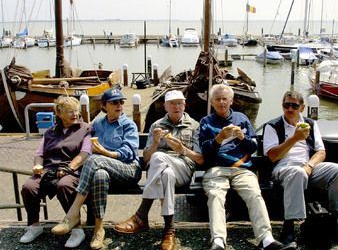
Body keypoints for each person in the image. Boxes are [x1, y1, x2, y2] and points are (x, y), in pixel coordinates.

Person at [199, 84, 296, 250]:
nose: (222, 102)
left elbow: (253, 147)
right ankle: (218, 241)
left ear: (231, 101)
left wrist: (243, 138)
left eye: (225, 99)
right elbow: (205, 153)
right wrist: (219, 138)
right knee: (216, 196)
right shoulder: (206, 122)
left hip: (242, 169)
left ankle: (266, 239)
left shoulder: (241, 119)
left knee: (254, 194)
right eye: (218, 99)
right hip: (216, 169)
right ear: (212, 102)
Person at [51, 87, 142, 250]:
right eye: (114, 102)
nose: (119, 105)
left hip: (128, 169)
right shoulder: (97, 124)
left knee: (94, 160)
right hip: (104, 171)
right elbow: (81, 139)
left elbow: (128, 154)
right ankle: (98, 230)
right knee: (99, 174)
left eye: (121, 102)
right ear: (104, 105)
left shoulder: (129, 125)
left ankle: (72, 214)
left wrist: (104, 152)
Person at [114, 90, 203, 250]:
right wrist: (155, 142)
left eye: (179, 103)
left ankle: (142, 214)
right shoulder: (157, 126)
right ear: (165, 106)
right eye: (172, 103)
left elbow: (199, 159)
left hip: (183, 168)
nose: (176, 106)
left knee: (159, 158)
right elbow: (147, 158)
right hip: (161, 172)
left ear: (184, 104)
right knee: (165, 173)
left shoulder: (195, 125)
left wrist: (182, 149)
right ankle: (169, 231)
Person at [263, 90, 338, 245]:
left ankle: (334, 221)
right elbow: (272, 156)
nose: (290, 109)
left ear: (302, 108)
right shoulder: (272, 126)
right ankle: (289, 226)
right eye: (286, 105)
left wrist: (310, 165)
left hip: (308, 166)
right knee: (297, 173)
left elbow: (321, 152)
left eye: (294, 106)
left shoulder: (310, 124)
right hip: (284, 167)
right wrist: (295, 138)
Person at [20, 96, 92, 248]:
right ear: (59, 113)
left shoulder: (85, 129)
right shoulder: (50, 132)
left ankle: (76, 229)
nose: (75, 115)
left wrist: (69, 168)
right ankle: (34, 226)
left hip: (73, 170)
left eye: (76, 111)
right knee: (29, 187)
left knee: (64, 186)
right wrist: (37, 167)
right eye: (70, 111)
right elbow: (39, 154)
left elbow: (85, 153)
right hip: (49, 169)